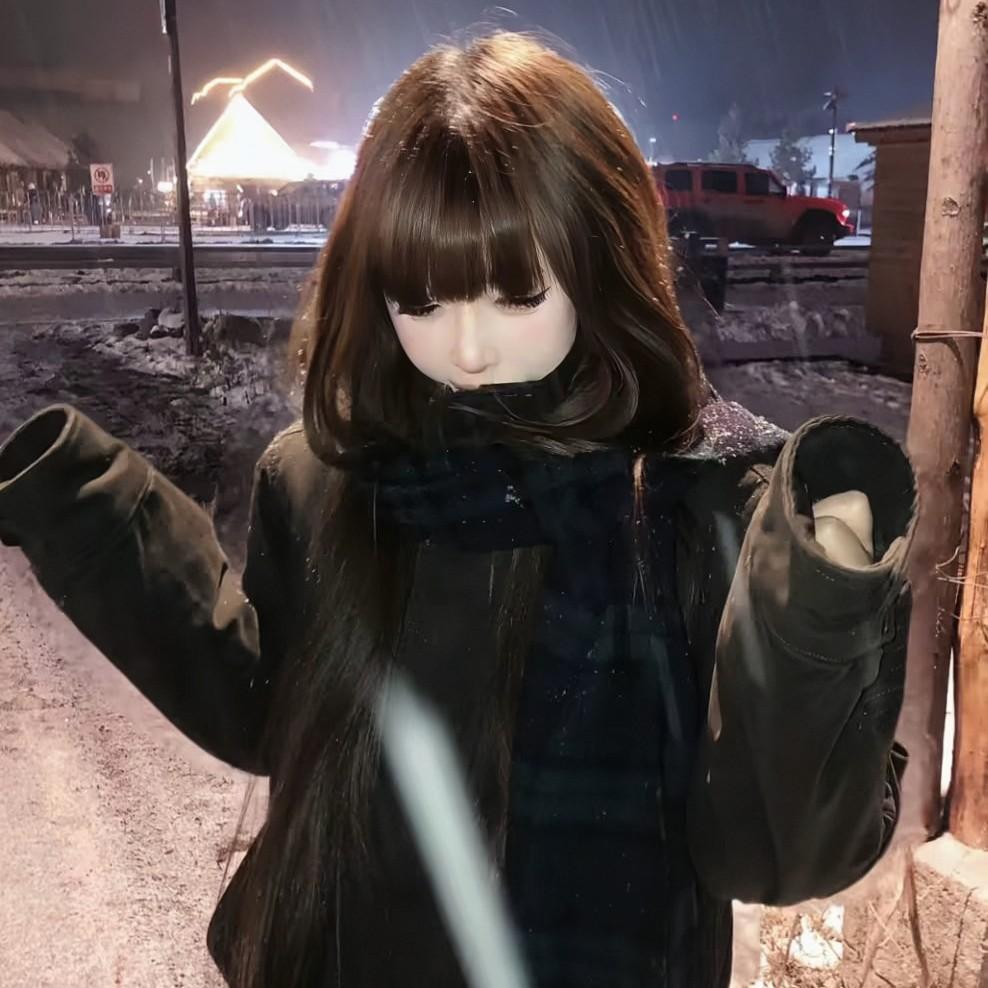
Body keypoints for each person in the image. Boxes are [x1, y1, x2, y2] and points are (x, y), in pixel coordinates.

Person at [0, 32, 915, 988]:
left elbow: (772, 851)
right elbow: (270, 713)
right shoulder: (326, 477)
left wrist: (819, 608)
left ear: (598, 258)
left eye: (516, 295)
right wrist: (89, 506)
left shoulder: (690, 500)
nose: (468, 349)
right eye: (422, 301)